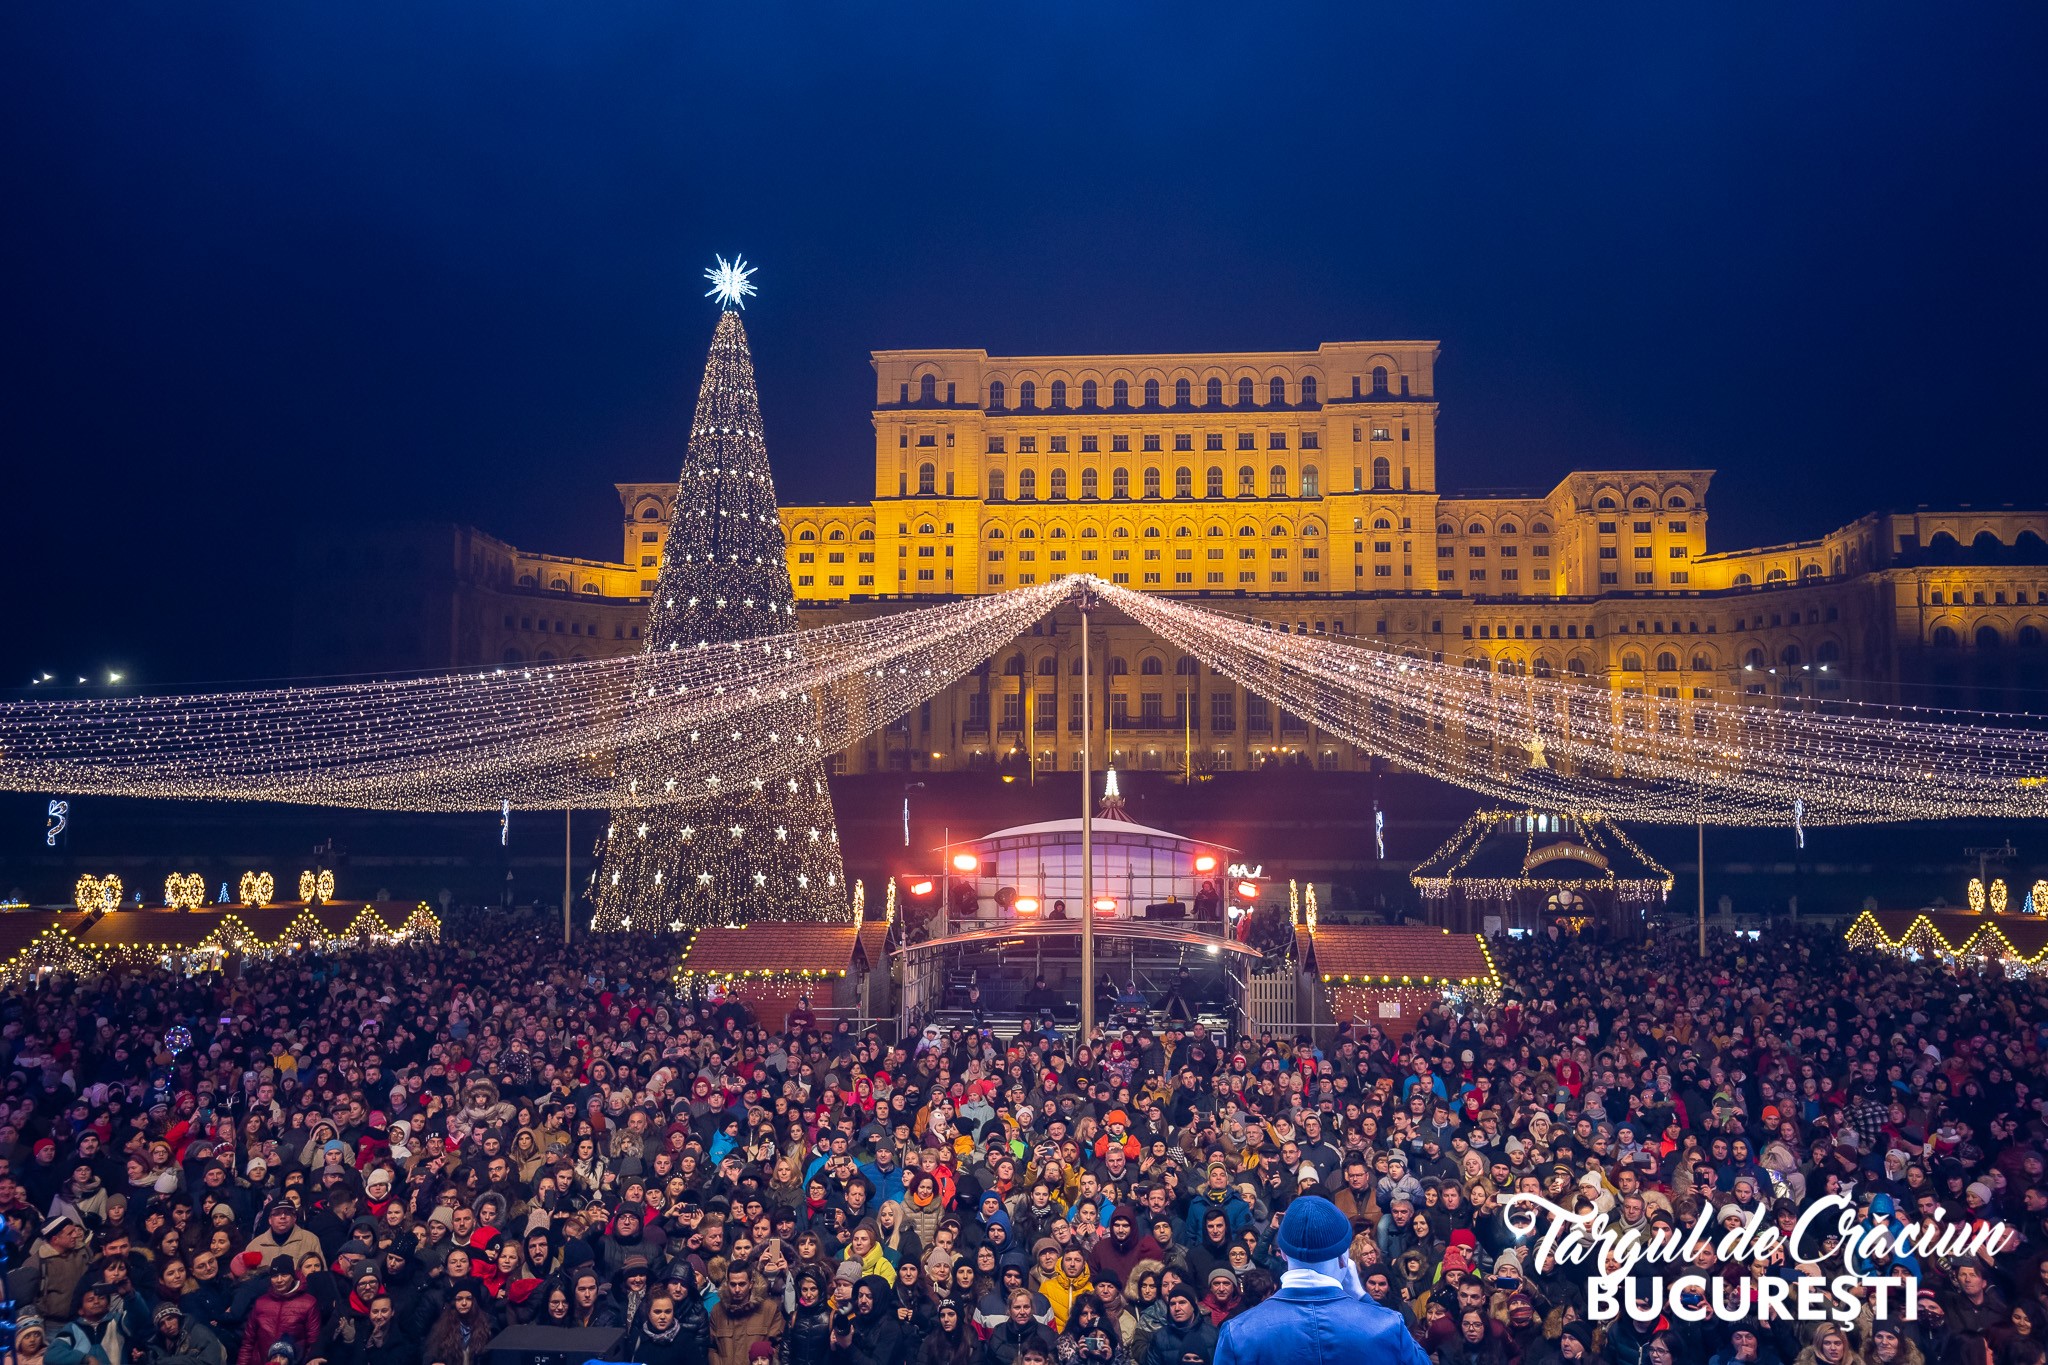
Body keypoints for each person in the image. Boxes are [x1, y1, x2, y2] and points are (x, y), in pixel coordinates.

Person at [1213, 1197, 1429, 1365]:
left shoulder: (1239, 1333)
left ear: (1284, 1254)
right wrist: (1364, 1299)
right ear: (1345, 1257)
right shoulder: (1387, 1326)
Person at [145, 1302, 229, 1365]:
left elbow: (211, 1363)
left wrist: (170, 1362)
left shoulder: (200, 1333)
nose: (167, 1326)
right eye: (162, 1324)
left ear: (178, 1318)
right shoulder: (159, 1344)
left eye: (170, 1318)